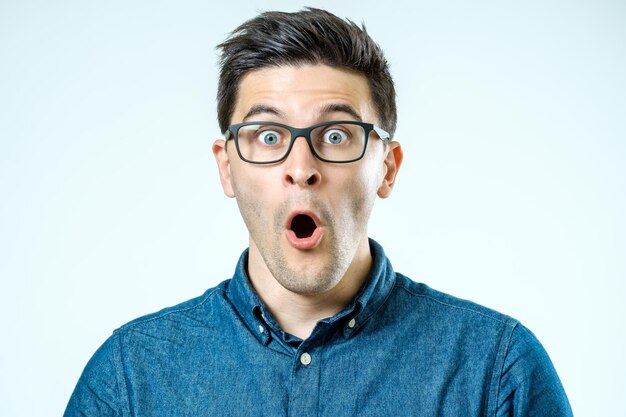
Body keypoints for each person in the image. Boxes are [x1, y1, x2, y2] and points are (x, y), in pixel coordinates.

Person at [64, 7, 573, 416]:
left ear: (388, 168)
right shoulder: (130, 379)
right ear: (227, 169)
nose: (301, 168)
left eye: (336, 135)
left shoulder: (497, 371)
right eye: (268, 136)